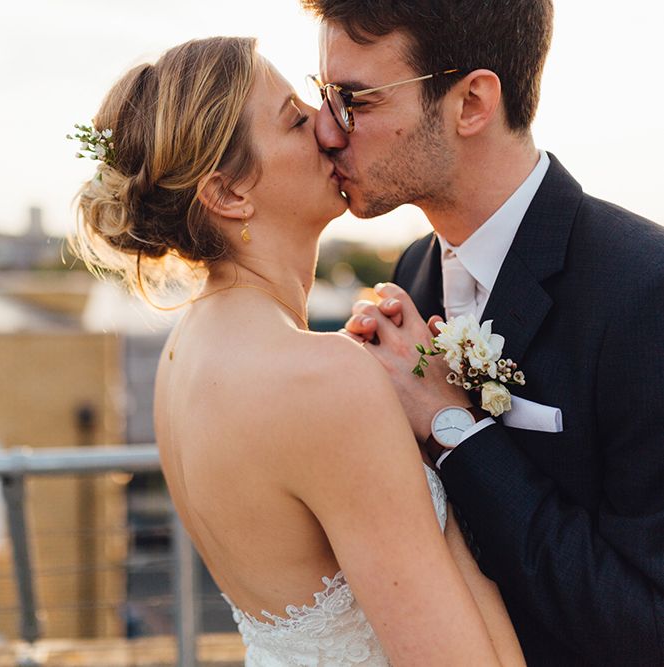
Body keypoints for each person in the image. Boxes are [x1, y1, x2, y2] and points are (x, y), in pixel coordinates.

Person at [70, 37, 526, 665]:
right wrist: (440, 425)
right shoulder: (323, 380)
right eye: (293, 118)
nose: (329, 126)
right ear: (228, 194)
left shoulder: (184, 355)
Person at [300, 0, 664, 664]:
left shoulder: (645, 290)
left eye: (355, 99)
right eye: (322, 94)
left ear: (470, 102)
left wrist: (452, 425)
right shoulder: (410, 270)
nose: (326, 129)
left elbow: (645, 621)